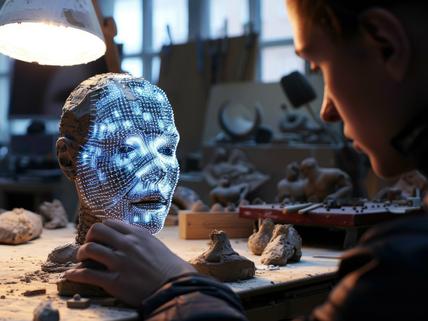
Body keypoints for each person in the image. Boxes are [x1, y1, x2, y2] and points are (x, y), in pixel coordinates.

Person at [65, 1, 428, 320]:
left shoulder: (404, 269)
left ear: (385, 44)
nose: (326, 111)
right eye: (127, 150)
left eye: (318, 65)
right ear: (68, 161)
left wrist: (177, 287)